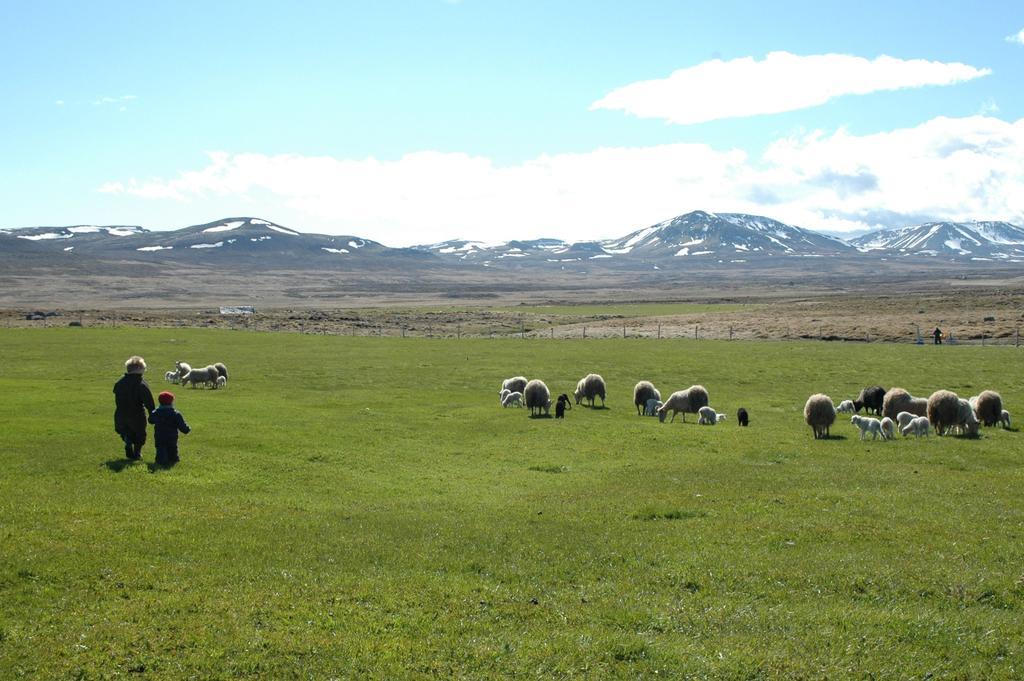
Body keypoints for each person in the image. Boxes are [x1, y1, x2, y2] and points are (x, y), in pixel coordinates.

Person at [113, 355, 155, 460]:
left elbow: (116, 393)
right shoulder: (141, 384)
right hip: (137, 415)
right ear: (139, 369)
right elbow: (149, 401)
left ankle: (128, 441)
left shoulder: (120, 382)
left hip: (120, 414)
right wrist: (152, 414)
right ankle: (137, 453)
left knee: (125, 431)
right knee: (140, 434)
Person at [149, 391, 191, 467]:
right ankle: (173, 459)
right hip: (171, 436)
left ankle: (161, 459)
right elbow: (182, 425)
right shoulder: (175, 414)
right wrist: (187, 429)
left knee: (160, 447)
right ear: (171, 402)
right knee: (172, 448)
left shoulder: (156, 412)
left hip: (159, 435)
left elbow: (150, 421)